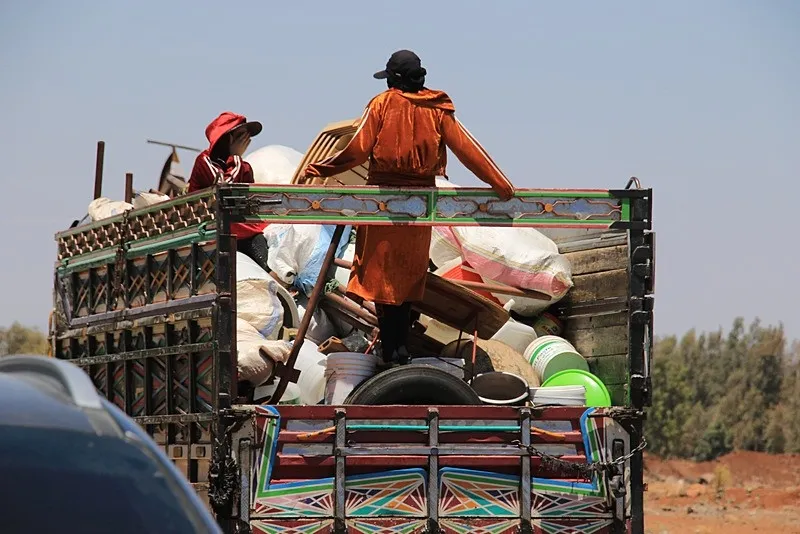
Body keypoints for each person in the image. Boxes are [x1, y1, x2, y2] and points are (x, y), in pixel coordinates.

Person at [302, 50, 516, 365]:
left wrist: (321, 168)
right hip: (420, 207)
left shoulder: (382, 104)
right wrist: (501, 185)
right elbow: (469, 150)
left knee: (382, 284)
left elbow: (357, 150)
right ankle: (398, 352)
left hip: (383, 204)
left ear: (392, 80)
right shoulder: (438, 109)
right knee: (405, 284)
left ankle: (392, 354)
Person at [189, 111, 270, 272]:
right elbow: (224, 188)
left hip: (240, 229)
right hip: (209, 228)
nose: (246, 141)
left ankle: (279, 281)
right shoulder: (204, 161)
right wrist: (237, 156)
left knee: (265, 240)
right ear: (227, 138)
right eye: (240, 136)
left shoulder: (244, 167)